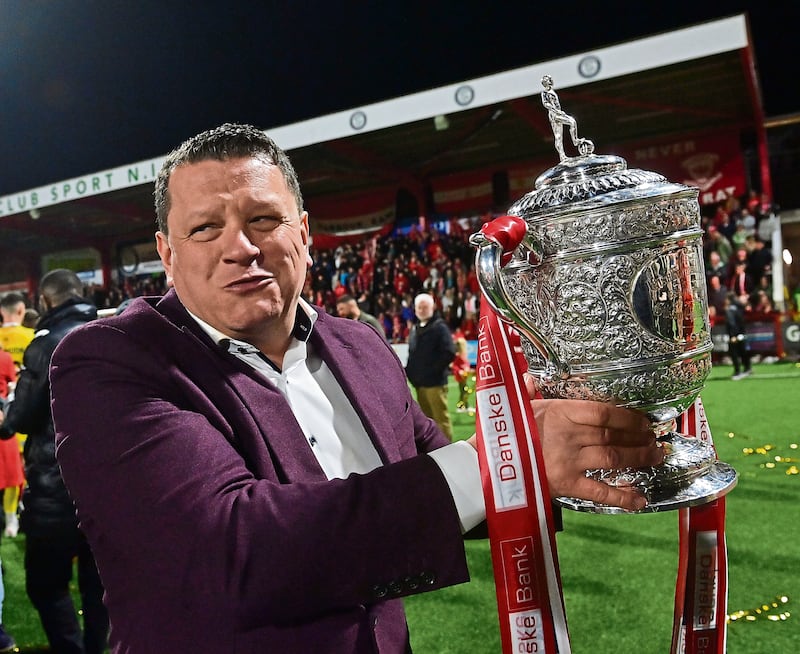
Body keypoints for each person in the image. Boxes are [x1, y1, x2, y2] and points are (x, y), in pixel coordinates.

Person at [49, 123, 663, 654]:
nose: (240, 247)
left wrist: (566, 434)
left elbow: (430, 477)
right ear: (167, 253)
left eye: (263, 219)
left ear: (305, 233)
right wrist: (506, 459)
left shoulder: (360, 347)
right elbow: (231, 553)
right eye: (205, 228)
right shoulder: (111, 361)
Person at [0, 269, 109, 654]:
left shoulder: (46, 343)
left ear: (44, 302)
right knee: (101, 586)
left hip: (56, 489)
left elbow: (20, 419)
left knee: (45, 584)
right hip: (109, 488)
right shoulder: (112, 334)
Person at [405, 292, 456, 440]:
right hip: (420, 385)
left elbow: (449, 352)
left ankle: (448, 451)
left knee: (441, 420)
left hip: (435, 383)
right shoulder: (415, 329)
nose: (421, 310)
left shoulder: (440, 328)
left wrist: (432, 371)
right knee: (427, 421)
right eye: (419, 307)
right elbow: (412, 355)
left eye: (425, 307)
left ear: (432, 307)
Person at [724, 292, 752, 381]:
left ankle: (737, 371)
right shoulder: (739, 307)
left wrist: (732, 335)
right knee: (743, 352)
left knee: (734, 354)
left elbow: (731, 323)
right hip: (742, 333)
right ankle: (747, 368)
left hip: (734, 335)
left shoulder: (730, 310)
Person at [451, 336, 474, 415]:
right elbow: (454, 366)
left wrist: (467, 369)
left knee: (465, 391)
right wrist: (460, 371)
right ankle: (461, 406)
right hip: (461, 377)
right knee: (463, 391)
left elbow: (466, 364)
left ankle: (465, 406)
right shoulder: (458, 356)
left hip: (464, 376)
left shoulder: (463, 355)